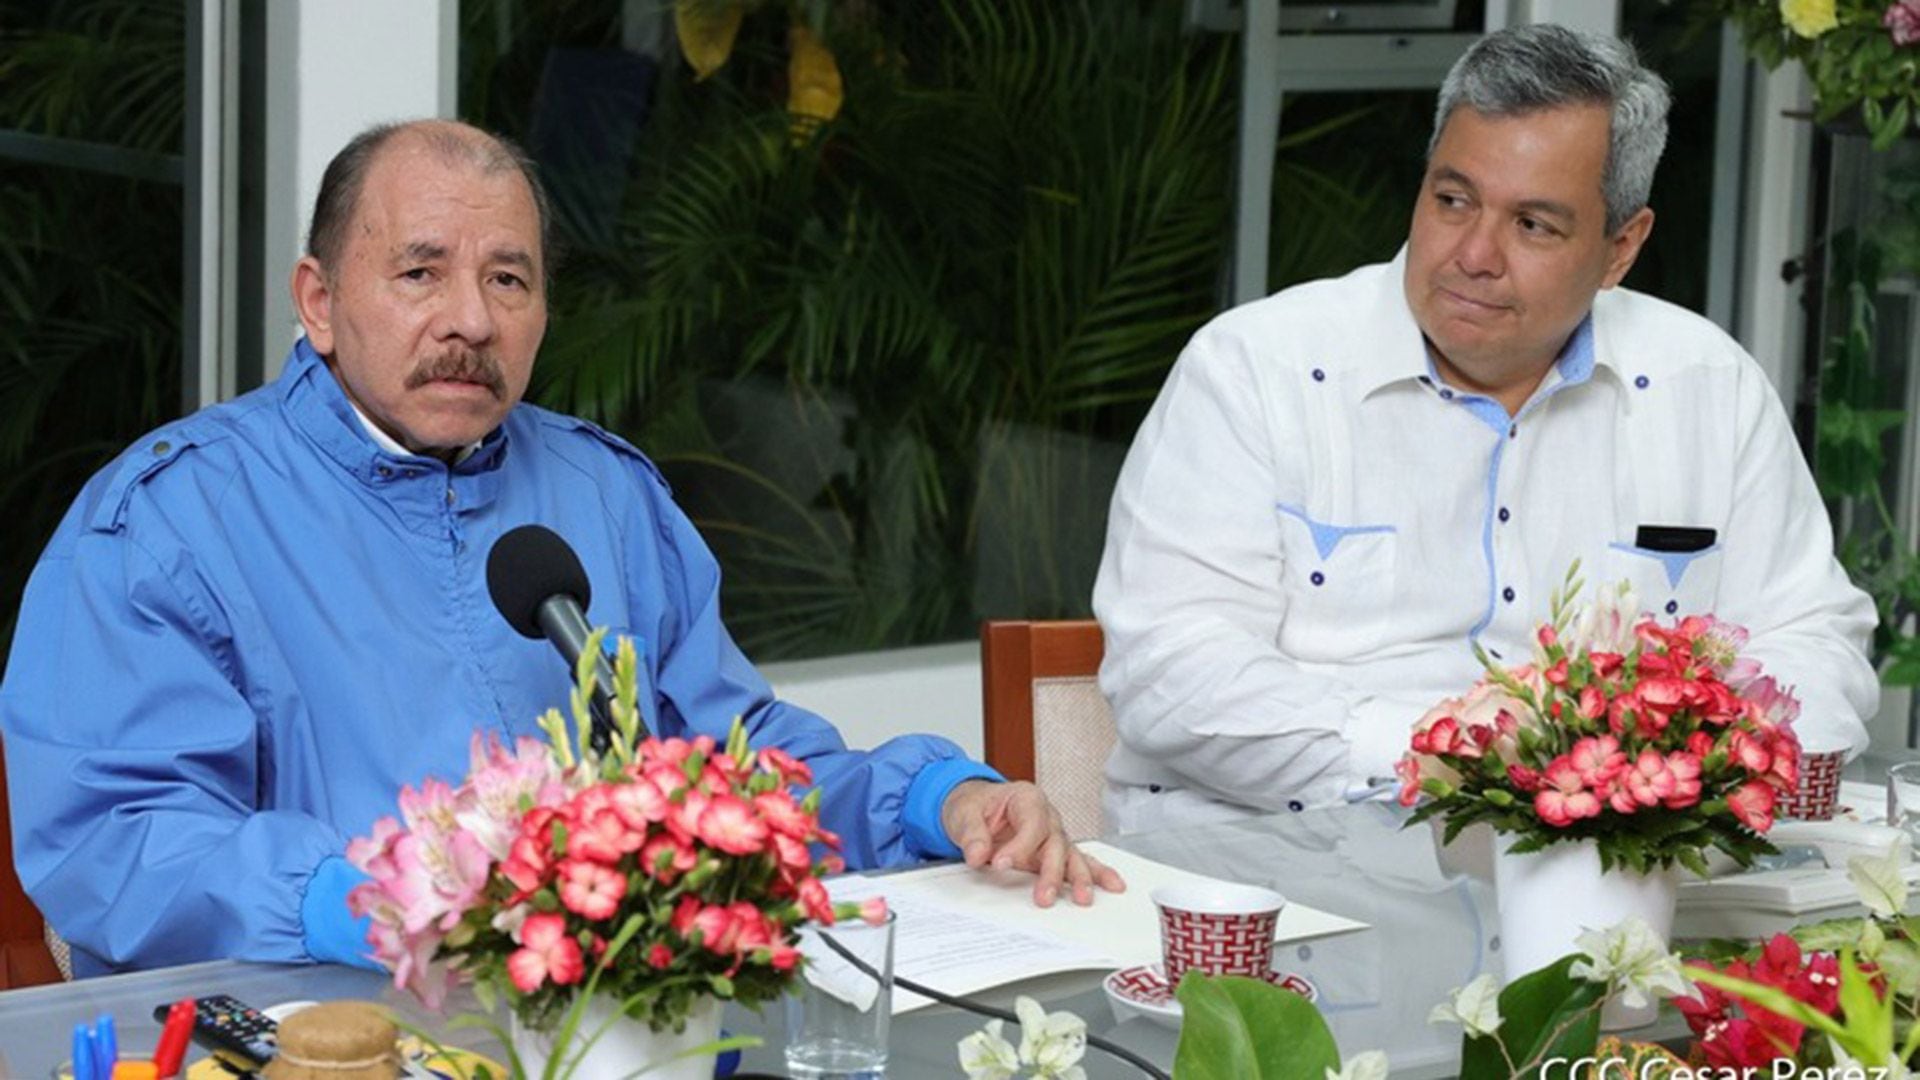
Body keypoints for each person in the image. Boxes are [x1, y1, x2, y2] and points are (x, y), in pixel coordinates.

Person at [0, 120, 1121, 977]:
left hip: (603, 1020)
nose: (471, 321)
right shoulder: (167, 519)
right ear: (320, 301)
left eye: (508, 279)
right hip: (314, 1024)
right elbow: (119, 840)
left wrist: (932, 800)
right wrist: (374, 902)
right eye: (420, 272)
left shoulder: (604, 494)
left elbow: (732, 770)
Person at [1093, 24, 1879, 835]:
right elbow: (1172, 672)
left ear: (1620, 248)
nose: (1473, 254)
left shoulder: (1707, 386)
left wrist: (1664, 770)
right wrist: (1476, 759)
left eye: (1533, 225)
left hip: (1614, 860)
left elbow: (1814, 641)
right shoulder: (1255, 370)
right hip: (1276, 859)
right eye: (1453, 200)